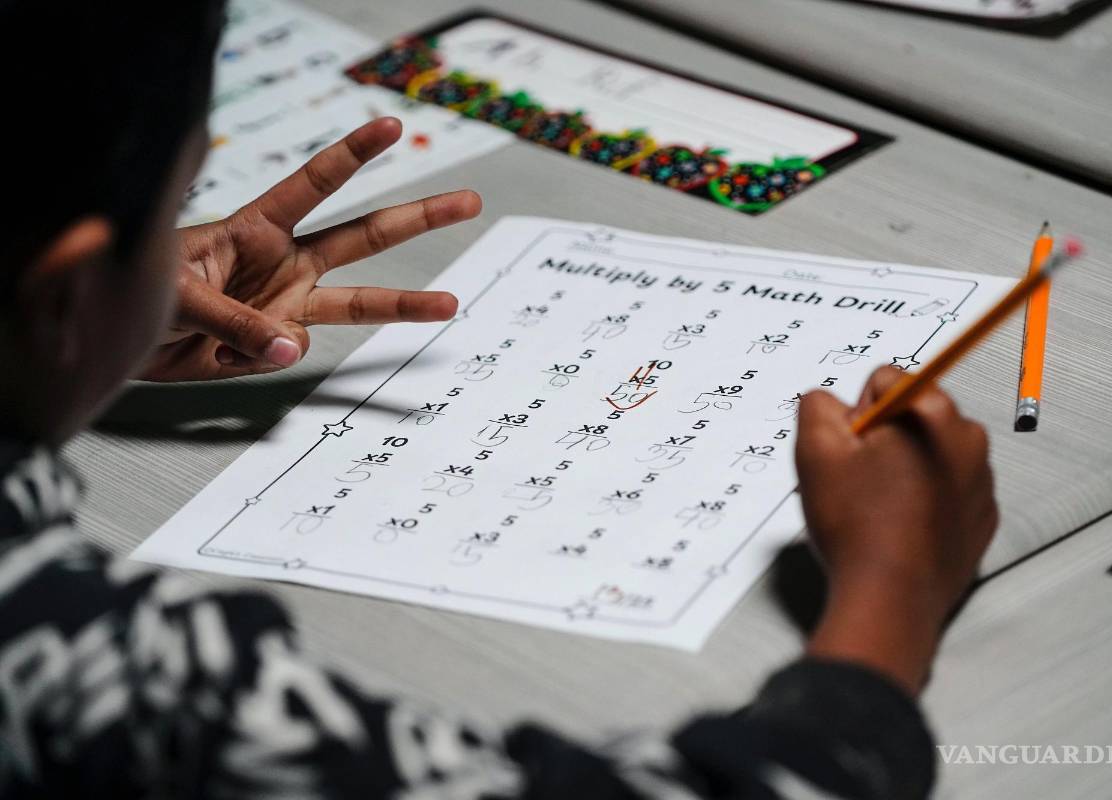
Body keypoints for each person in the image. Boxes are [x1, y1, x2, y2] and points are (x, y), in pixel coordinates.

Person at [0, 2, 998, 797]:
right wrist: (894, 586)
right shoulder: (87, 661)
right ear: (62, 291)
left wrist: (72, 334)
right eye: (179, 197)